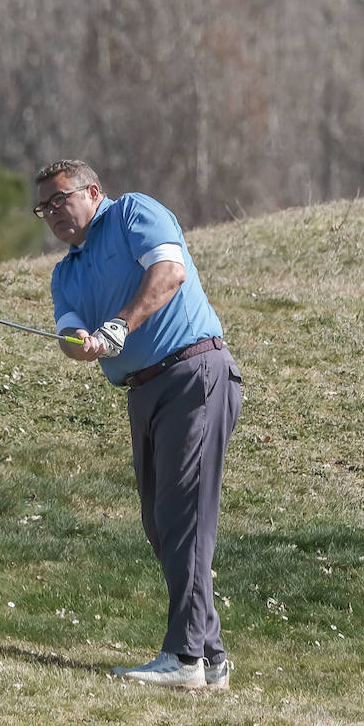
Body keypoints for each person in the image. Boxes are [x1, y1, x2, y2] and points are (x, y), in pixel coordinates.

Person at [33, 159, 243, 691]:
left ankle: (184, 658)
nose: (54, 213)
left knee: (183, 518)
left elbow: (169, 272)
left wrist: (120, 327)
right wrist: (84, 344)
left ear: (92, 191)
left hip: (192, 370)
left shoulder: (132, 214)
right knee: (162, 523)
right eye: (44, 208)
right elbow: (69, 336)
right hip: (143, 391)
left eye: (61, 199)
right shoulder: (67, 272)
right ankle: (211, 657)